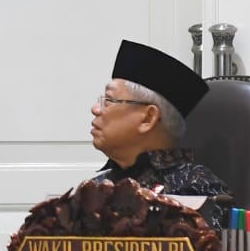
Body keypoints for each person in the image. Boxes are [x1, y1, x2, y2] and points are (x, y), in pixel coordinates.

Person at [88, 39, 227, 196]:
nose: (96, 109)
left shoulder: (195, 189)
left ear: (148, 118)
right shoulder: (96, 189)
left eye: (109, 100)